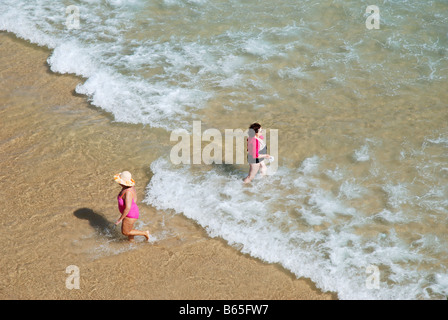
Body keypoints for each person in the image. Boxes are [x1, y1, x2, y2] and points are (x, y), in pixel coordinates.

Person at [113, 171, 150, 242]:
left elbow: (127, 208)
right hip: (131, 212)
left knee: (125, 232)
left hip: (130, 215)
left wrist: (119, 220)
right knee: (129, 230)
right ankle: (131, 242)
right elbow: (135, 199)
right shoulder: (130, 187)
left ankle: (145, 233)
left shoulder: (127, 193)